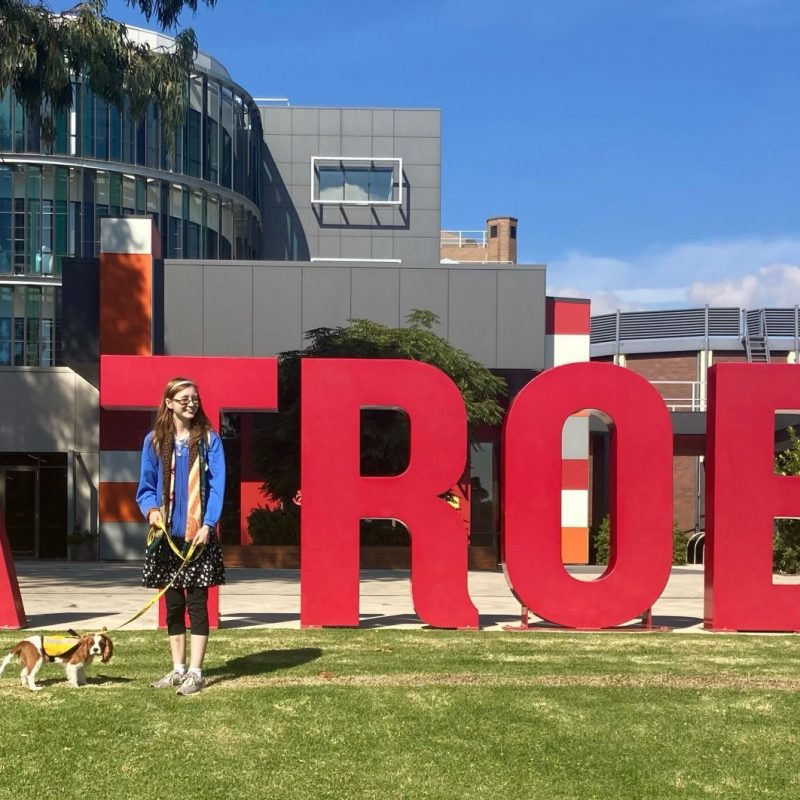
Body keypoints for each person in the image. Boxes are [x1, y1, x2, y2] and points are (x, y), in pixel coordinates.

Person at [136, 377, 226, 696]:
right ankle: (178, 669)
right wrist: (151, 511)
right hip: (167, 539)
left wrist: (208, 524)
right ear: (169, 403)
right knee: (173, 606)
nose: (191, 403)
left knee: (197, 605)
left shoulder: (210, 441)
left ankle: (196, 673)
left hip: (198, 537)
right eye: (184, 398)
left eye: (194, 398)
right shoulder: (154, 441)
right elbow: (146, 486)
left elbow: (217, 487)